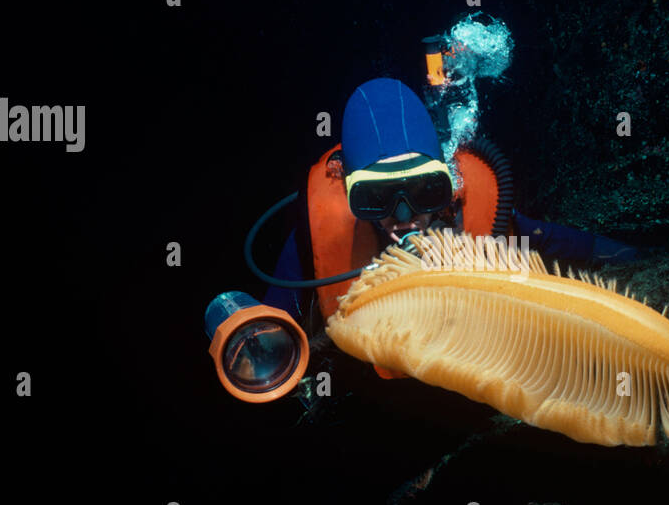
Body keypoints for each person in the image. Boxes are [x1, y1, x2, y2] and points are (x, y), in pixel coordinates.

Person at [262, 77, 642, 330]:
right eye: (376, 198)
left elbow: (574, 246)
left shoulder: (474, 217)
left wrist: (646, 260)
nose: (405, 216)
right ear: (349, 192)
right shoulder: (317, 240)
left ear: (447, 184)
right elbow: (268, 324)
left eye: (425, 191)